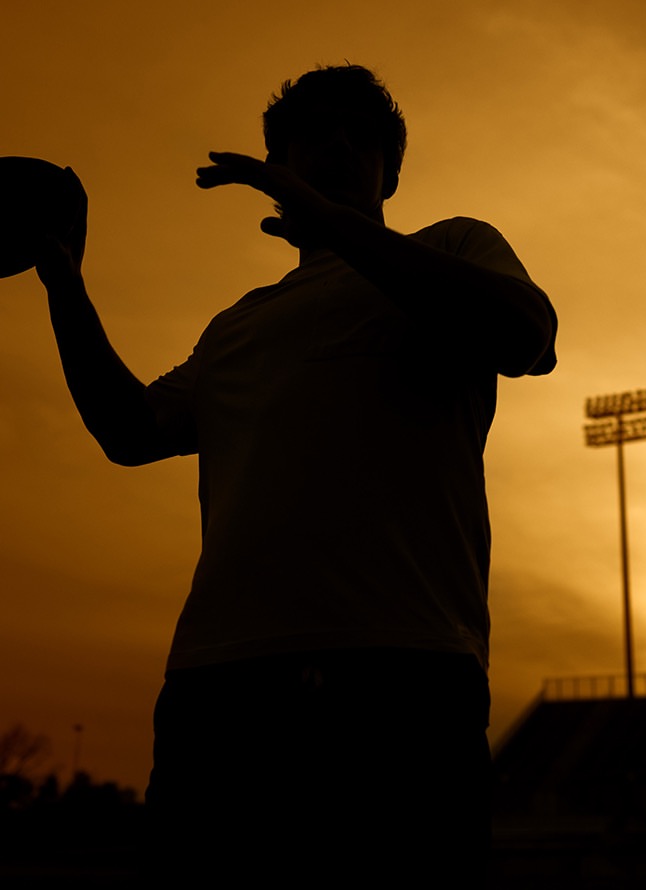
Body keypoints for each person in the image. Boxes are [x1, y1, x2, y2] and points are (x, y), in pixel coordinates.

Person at [37, 64, 556, 886]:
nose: (339, 146)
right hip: (221, 682)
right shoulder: (237, 326)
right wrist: (63, 280)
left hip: (402, 674)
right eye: (315, 134)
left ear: (391, 172)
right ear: (278, 163)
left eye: (362, 136)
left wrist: (333, 224)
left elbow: (525, 333)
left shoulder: (451, 247)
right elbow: (128, 431)